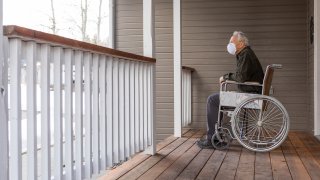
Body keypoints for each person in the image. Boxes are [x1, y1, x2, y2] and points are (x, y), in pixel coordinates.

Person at [196, 31, 264, 149]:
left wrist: (225, 77)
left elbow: (240, 78)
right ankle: (215, 137)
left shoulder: (246, 55)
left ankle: (212, 139)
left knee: (212, 100)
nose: (229, 45)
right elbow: (242, 76)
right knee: (217, 99)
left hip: (249, 96)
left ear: (241, 43)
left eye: (232, 42)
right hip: (250, 93)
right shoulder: (244, 54)